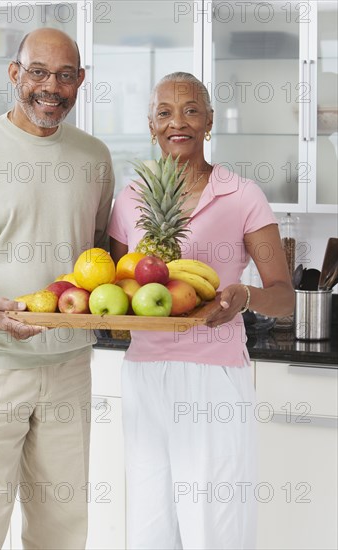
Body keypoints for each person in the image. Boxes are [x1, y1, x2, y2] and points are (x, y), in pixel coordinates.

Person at [108, 72, 294, 550]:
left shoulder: (242, 194)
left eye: (191, 110)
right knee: (149, 527)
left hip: (212, 377)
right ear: (151, 125)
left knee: (215, 526)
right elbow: (111, 284)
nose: (179, 122)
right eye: (165, 112)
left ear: (209, 122)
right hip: (144, 376)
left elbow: (283, 293)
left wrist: (244, 296)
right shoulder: (131, 200)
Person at [0, 28, 114, 549]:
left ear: (81, 81)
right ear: (14, 74)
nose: (50, 87)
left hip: (69, 365)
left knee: (62, 524)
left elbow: (99, 254)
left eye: (65, 75)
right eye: (38, 72)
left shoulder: (95, 158)